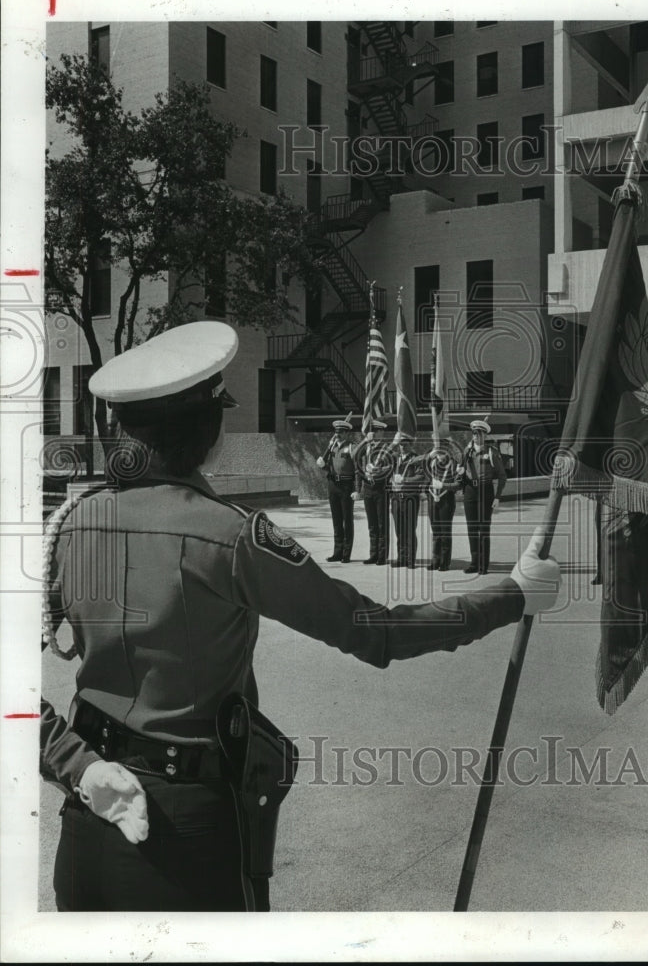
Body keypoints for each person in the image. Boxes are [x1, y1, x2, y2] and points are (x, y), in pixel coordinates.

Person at [39, 322, 561, 913]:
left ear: (124, 428)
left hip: (87, 821)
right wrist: (510, 596)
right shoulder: (231, 535)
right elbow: (377, 633)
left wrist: (74, 764)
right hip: (188, 829)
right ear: (212, 430)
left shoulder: (74, 522)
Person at [459, 418, 507, 574]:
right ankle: (474, 563)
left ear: (484, 435)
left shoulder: (492, 452)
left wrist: (497, 497)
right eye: (473, 434)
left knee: (483, 529)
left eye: (478, 434)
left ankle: (483, 565)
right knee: (472, 529)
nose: (475, 437)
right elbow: (461, 471)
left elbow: (502, 476)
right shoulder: (467, 452)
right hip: (470, 491)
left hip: (485, 491)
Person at [316, 415, 359, 563]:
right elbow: (329, 467)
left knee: (347, 520)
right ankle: (337, 552)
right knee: (336, 520)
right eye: (336, 431)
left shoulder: (352, 447)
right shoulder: (332, 447)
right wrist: (323, 466)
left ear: (347, 433)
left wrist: (357, 489)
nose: (338, 434)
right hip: (333, 484)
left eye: (341, 431)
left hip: (347, 486)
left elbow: (357, 469)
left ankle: (346, 554)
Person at [356, 420, 392, 565]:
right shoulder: (367, 447)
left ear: (381, 432)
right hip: (368, 488)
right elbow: (354, 456)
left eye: (376, 431)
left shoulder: (386, 448)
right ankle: (373, 554)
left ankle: (382, 555)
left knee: (381, 523)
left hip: (381, 488)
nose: (375, 434)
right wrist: (365, 440)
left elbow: (392, 466)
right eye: (373, 431)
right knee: (372, 523)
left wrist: (380, 470)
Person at [388, 432, 426, 568]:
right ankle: (401, 557)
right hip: (396, 498)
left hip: (410, 498)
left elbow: (421, 477)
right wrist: (392, 444)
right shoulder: (394, 458)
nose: (402, 447)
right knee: (399, 530)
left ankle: (410, 559)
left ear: (411, 444)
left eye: (405, 444)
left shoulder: (416, 458)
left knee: (409, 529)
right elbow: (382, 457)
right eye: (400, 445)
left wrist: (405, 480)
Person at [425, 438, 462, 571]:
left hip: (446, 500)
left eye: (443, 452)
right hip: (432, 499)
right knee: (436, 532)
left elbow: (458, 484)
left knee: (445, 532)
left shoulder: (454, 464)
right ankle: (435, 560)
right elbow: (417, 462)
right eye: (438, 452)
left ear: (448, 451)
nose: (440, 455)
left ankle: (445, 562)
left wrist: (444, 485)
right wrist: (430, 455)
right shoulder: (432, 462)